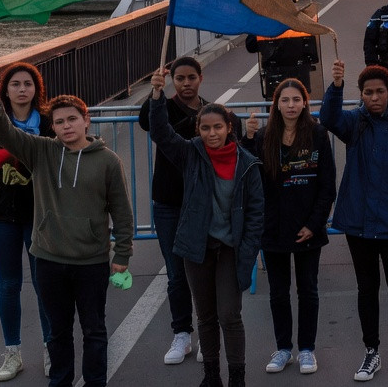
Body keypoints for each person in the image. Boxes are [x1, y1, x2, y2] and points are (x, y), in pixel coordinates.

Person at [0, 83, 133, 387]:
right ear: (53, 126)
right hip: (48, 259)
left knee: (94, 331)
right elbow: (5, 134)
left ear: (86, 120)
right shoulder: (41, 151)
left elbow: (122, 211)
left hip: (91, 261)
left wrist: (122, 254)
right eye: (59, 122)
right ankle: (60, 382)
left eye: (72, 119)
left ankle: (96, 382)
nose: (66, 126)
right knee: (58, 332)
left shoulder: (108, 161)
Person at [148, 68, 265, 387]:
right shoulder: (190, 154)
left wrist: (248, 250)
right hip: (197, 248)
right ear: (198, 130)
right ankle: (211, 376)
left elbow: (256, 214)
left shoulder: (248, 164)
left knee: (229, 314)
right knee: (206, 316)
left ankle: (237, 377)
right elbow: (161, 132)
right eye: (205, 128)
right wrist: (157, 95)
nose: (212, 133)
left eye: (218, 127)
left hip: (231, 249)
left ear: (229, 128)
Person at [320, 59, 388, 382]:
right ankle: (371, 352)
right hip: (360, 225)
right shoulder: (355, 123)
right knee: (366, 290)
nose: (374, 97)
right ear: (361, 95)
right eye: (368, 93)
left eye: (380, 91)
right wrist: (336, 87)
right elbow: (328, 118)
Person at [137, 56, 243, 367]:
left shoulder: (212, 112)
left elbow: (232, 139)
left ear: (200, 78)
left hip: (203, 204)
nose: (185, 83)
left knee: (204, 271)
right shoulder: (164, 106)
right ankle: (181, 333)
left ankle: (206, 332)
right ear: (172, 80)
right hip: (169, 202)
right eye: (180, 78)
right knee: (176, 273)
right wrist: (155, 92)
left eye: (191, 78)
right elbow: (149, 123)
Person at [243, 79, 336, 376]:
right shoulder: (264, 136)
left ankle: (307, 349)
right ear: (277, 104)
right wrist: (247, 139)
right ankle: (283, 348)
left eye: (297, 99)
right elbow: (250, 177)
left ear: (305, 102)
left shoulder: (317, 134)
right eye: (285, 100)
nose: (291, 105)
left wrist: (314, 224)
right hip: (273, 229)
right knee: (278, 293)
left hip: (308, 228)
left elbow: (327, 185)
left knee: (308, 290)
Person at [0, 62, 53, 381]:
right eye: (16, 84)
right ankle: (12, 353)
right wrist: (13, 145)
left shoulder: (47, 121)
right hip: (1, 214)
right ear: (4, 90)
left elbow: (60, 154)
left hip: (39, 213)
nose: (22, 89)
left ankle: (51, 347)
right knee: (8, 285)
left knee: (43, 283)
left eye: (28, 84)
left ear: (37, 89)